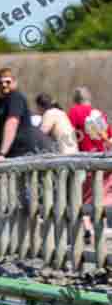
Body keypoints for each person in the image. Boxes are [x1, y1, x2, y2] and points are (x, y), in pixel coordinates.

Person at [68, 87, 112, 243]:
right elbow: (109, 136)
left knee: (82, 197)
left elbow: (69, 134)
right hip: (104, 158)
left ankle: (87, 229)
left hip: (86, 159)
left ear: (75, 98)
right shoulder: (98, 113)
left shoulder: (74, 112)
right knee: (103, 193)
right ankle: (99, 227)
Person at [0, 68, 44, 165]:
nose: (4, 85)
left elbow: (12, 122)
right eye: (0, 83)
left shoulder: (15, 97)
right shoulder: (3, 100)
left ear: (15, 82)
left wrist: (2, 153)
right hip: (12, 152)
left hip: (22, 153)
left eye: (7, 82)